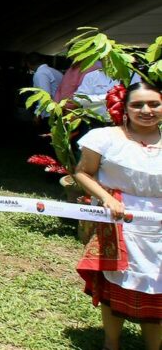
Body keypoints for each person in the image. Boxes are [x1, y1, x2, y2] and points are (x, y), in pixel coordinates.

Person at [74, 81, 162, 350]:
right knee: (116, 288)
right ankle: (111, 344)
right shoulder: (105, 138)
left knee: (159, 292)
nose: (146, 110)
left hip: (159, 227)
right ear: (124, 108)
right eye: (137, 105)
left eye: (154, 104)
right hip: (119, 223)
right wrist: (107, 197)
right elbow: (82, 172)